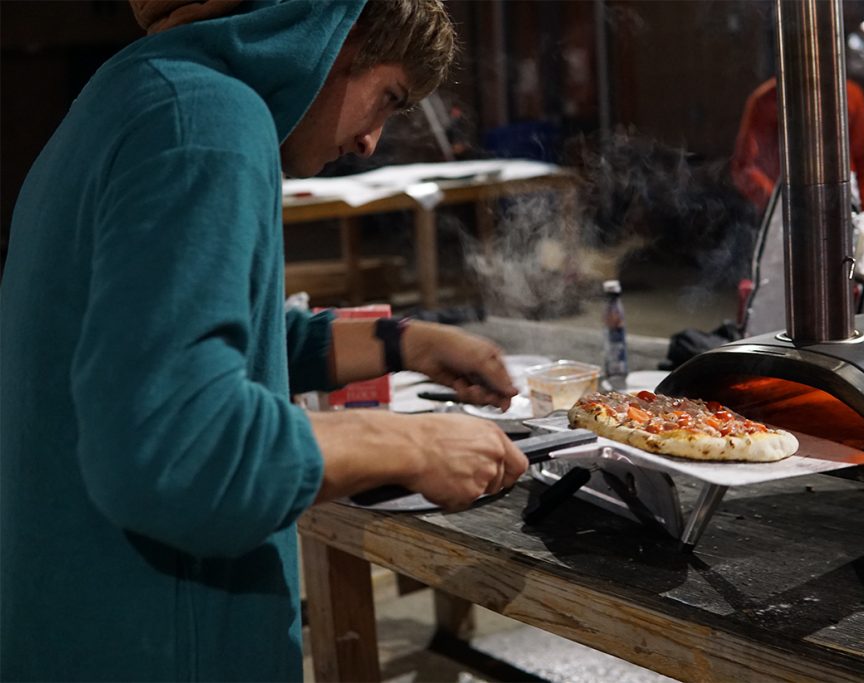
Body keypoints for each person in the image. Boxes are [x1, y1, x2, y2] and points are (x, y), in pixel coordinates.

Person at [0, 1, 529, 681]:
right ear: (337, 34)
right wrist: (413, 441)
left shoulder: (133, 89)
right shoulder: (210, 120)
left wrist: (406, 342)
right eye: (388, 98)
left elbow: (203, 332)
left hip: (69, 622)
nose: (371, 141)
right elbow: (182, 442)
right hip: (159, 642)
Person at [731, 76, 864, 215]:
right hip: (786, 216)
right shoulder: (766, 100)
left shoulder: (850, 95)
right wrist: (780, 206)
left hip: (843, 209)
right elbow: (745, 167)